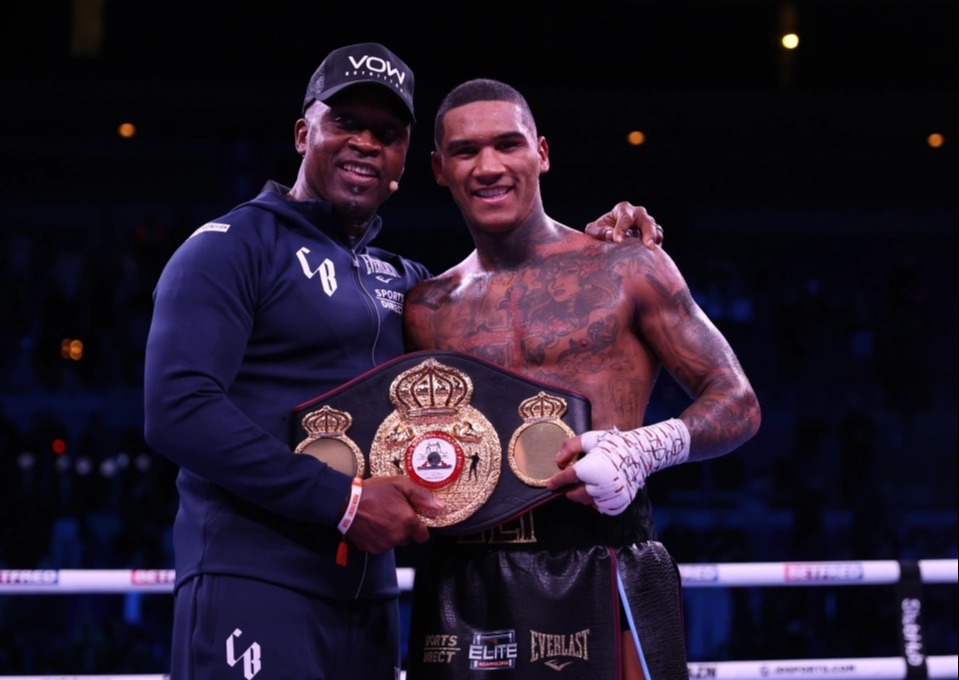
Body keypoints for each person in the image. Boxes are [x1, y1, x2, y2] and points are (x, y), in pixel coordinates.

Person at [143, 44, 664, 679]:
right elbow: (177, 411)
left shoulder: (408, 284)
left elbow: (508, 307)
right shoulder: (231, 247)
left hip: (369, 597)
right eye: (345, 123)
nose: (365, 141)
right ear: (304, 133)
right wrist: (342, 501)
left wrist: (594, 249)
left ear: (402, 166)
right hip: (256, 579)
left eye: (385, 133)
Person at [402, 78, 761, 679]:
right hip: (463, 577)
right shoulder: (424, 306)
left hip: (606, 558)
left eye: (507, 145)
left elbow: (738, 402)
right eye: (466, 152)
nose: (488, 167)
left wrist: (643, 448)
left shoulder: (628, 267)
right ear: (440, 169)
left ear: (540, 153)